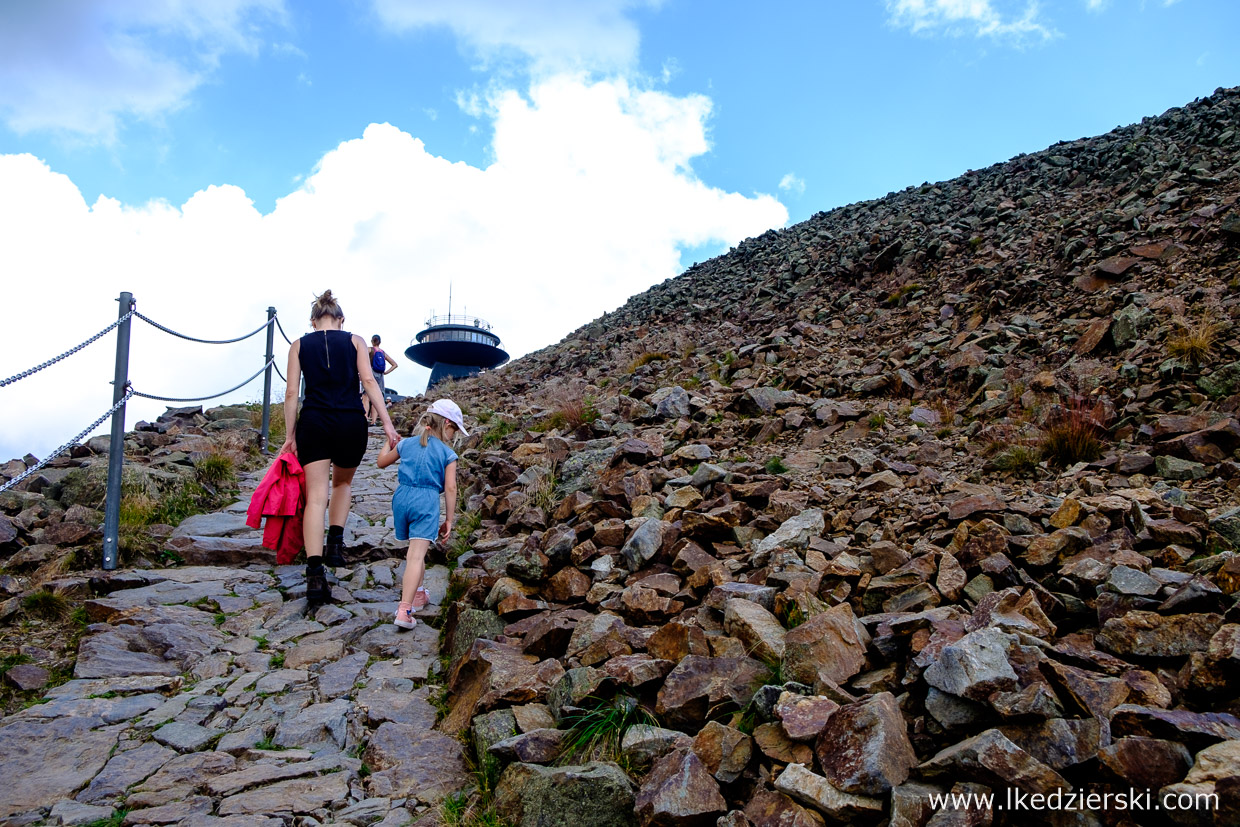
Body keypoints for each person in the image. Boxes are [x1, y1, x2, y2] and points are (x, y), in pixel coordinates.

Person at [279, 290, 399, 604]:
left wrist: (290, 436)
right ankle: (335, 546)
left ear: (313, 320)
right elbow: (370, 382)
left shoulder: (299, 346)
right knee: (343, 483)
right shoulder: (356, 341)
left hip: (314, 422)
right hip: (349, 421)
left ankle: (315, 574)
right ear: (341, 319)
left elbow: (292, 393)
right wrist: (386, 424)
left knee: (316, 496)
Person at [377, 398, 466, 629]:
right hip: (425, 502)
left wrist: (389, 442)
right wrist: (449, 519)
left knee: (417, 549)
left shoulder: (406, 444)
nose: (453, 434)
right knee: (416, 556)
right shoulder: (447, 454)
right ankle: (404, 610)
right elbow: (450, 488)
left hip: (402, 499)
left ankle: (417, 594)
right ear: (445, 423)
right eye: (453, 429)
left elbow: (381, 462)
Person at [364, 334, 398, 425]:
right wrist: (386, 372)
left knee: (366, 397)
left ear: (372, 341)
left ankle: (365, 417)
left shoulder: (369, 349)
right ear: (380, 342)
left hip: (370, 373)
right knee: (376, 398)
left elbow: (359, 357)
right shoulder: (383, 353)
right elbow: (395, 364)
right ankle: (374, 422)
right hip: (380, 376)